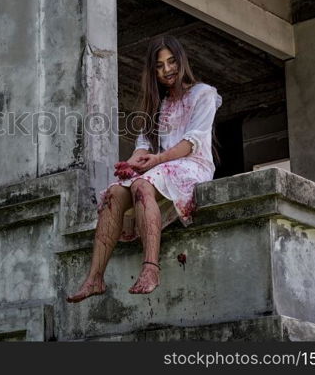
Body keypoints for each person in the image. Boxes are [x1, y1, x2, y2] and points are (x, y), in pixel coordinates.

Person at [66, 36, 222, 302]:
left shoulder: (203, 93)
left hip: (193, 165)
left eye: (171, 62)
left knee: (141, 185)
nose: (167, 70)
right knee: (114, 193)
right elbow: (143, 143)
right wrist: (132, 163)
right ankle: (94, 279)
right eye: (159, 66)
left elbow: (192, 142)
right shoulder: (158, 105)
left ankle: (150, 268)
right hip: (161, 168)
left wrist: (155, 161)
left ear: (181, 61)